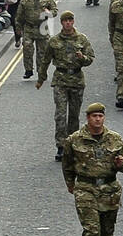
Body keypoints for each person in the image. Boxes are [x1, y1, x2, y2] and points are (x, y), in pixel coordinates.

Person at [63, 103, 123, 236]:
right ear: (87, 118)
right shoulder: (75, 140)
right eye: (94, 116)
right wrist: (71, 185)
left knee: (107, 230)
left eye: (100, 116)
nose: (97, 119)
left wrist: (120, 164)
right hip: (86, 188)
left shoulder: (114, 139)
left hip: (109, 189)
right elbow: (67, 164)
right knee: (91, 229)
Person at [37, 11, 94, 161]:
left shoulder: (82, 39)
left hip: (76, 79)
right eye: (65, 21)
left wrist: (83, 58)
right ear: (61, 23)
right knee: (60, 115)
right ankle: (61, 146)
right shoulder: (54, 41)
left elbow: (91, 59)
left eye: (70, 20)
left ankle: (72, 145)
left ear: (73, 22)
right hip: (60, 80)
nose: (68, 23)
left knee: (74, 115)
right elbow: (46, 60)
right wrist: (41, 78)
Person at [16, 0, 57, 80]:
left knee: (42, 52)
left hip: (42, 27)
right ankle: (28, 70)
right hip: (29, 28)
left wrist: (49, 12)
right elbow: (19, 15)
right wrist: (18, 28)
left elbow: (55, 11)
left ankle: (41, 71)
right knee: (27, 49)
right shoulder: (25, 0)